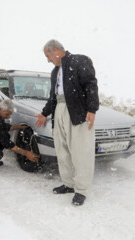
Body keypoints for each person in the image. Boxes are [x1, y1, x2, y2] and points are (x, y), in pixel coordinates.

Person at [35, 40, 99, 206]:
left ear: (56, 50)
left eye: (48, 56)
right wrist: (44, 113)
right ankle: (69, 184)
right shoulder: (55, 71)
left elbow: (90, 84)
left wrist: (92, 109)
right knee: (62, 150)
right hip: (60, 110)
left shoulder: (79, 61)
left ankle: (81, 190)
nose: (48, 60)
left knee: (81, 151)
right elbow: (53, 96)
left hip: (78, 111)